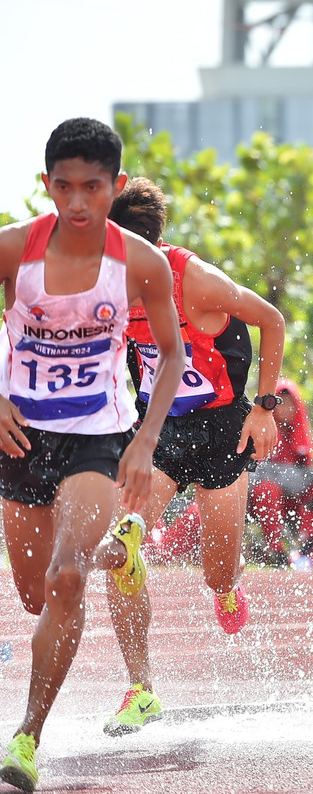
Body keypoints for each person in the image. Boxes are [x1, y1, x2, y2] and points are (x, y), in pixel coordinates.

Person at [0, 118, 185, 791]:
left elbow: (172, 354)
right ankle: (117, 551)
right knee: (32, 594)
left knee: (66, 580)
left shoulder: (142, 263)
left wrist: (145, 439)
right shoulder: (13, 249)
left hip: (97, 436)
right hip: (23, 433)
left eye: (93, 188)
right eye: (64, 187)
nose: (78, 203)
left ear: (117, 185)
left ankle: (26, 738)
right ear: (46, 184)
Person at [99, 176, 287, 735]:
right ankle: (141, 689)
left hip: (224, 430)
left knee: (216, 572)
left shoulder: (196, 280)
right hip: (161, 432)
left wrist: (265, 408)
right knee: (120, 546)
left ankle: (228, 587)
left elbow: (272, 320)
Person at [247, 377, 313, 563]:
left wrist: (277, 474)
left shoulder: (300, 433)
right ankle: (276, 550)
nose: (286, 409)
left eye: (290, 404)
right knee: (267, 489)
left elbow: (305, 479)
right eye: (281, 404)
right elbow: (251, 474)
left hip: (293, 500)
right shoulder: (260, 431)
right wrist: (283, 476)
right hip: (259, 499)